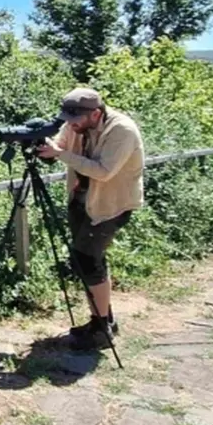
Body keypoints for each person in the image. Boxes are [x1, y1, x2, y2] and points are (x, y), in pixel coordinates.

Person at [36, 87, 145, 351]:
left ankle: (101, 326)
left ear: (95, 114)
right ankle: (103, 319)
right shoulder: (77, 125)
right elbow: (61, 146)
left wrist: (60, 154)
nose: (70, 124)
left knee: (87, 258)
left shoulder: (122, 130)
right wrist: (45, 146)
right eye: (68, 119)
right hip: (82, 200)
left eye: (76, 119)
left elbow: (104, 171)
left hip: (111, 204)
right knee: (88, 260)